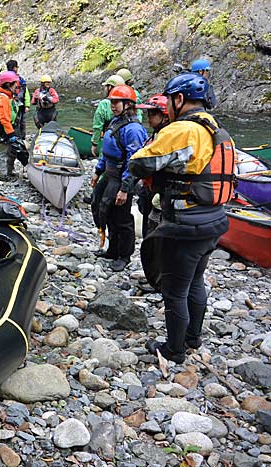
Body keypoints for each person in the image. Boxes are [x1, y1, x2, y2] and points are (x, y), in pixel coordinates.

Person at [130, 73, 234, 363]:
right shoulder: (219, 130)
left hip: (185, 224)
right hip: (214, 221)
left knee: (175, 290)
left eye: (169, 99)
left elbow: (139, 163)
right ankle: (193, 338)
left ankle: (174, 350)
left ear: (179, 99)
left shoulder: (184, 130)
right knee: (196, 281)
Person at [89, 85, 147, 272]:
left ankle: (124, 255)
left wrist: (125, 188)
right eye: (111, 102)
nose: (113, 105)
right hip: (109, 173)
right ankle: (112, 249)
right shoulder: (115, 122)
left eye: (116, 102)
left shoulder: (133, 129)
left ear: (129, 104)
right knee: (101, 208)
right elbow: (107, 151)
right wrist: (98, 172)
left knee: (122, 217)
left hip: (122, 177)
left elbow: (133, 160)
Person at [134, 94, 170, 236]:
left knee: (154, 233)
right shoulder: (155, 135)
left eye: (153, 114)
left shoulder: (169, 138)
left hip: (160, 194)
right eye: (148, 113)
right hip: (149, 190)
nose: (149, 117)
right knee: (147, 231)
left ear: (165, 117)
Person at [0, 71, 29, 182]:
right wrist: (11, 134)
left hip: (11, 128)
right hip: (4, 129)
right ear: (8, 85)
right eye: (15, 85)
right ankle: (3, 174)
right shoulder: (3, 98)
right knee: (2, 152)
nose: (17, 87)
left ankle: (10, 171)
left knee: (12, 151)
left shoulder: (9, 96)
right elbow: (4, 119)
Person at [91, 74, 126, 157]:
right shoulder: (127, 103)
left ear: (110, 87)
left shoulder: (104, 104)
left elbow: (97, 127)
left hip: (108, 143)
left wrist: (94, 143)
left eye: (106, 86)